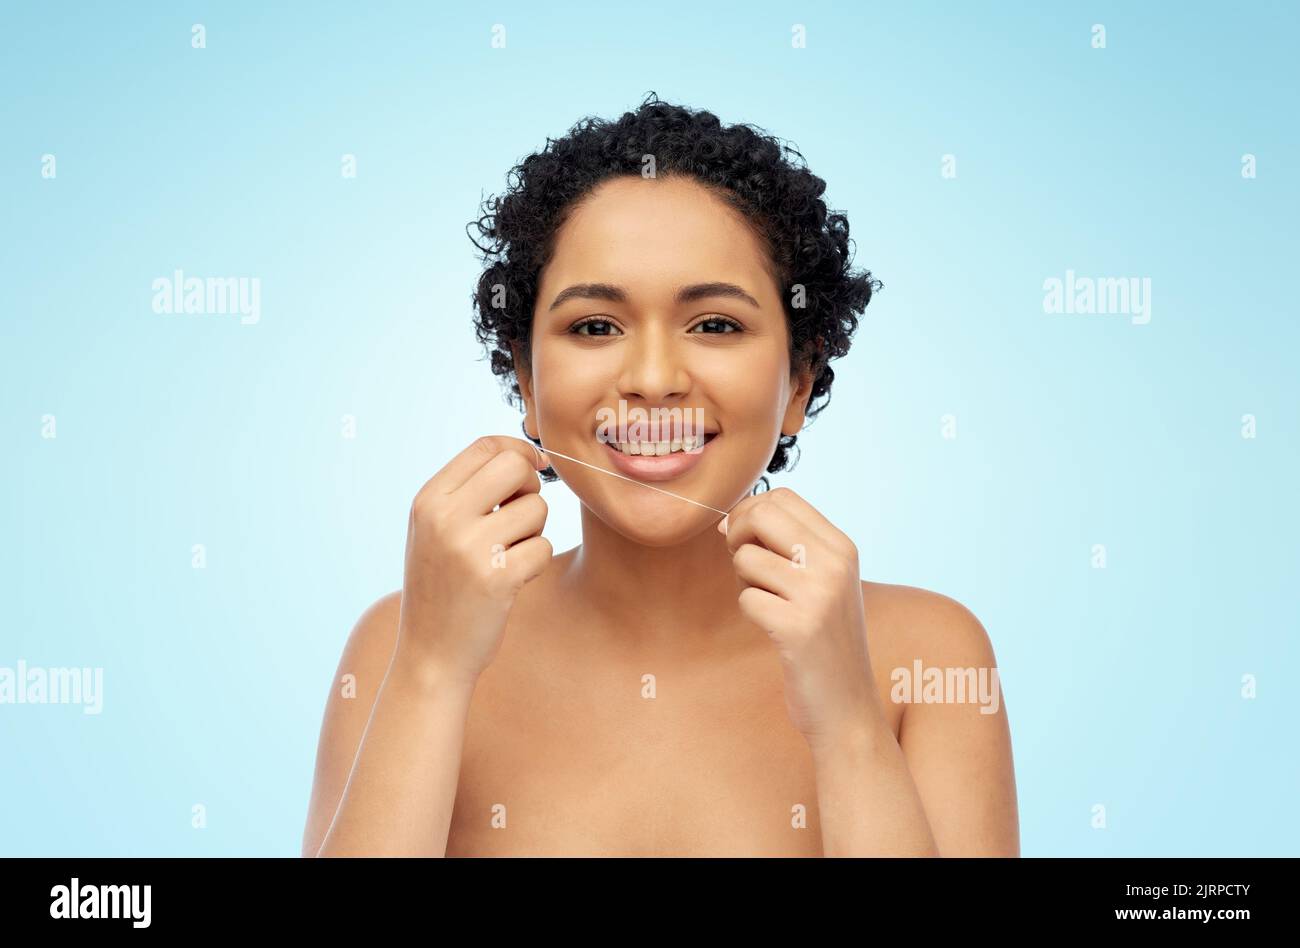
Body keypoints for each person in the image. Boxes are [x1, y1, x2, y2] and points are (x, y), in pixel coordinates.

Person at [302, 92, 1019, 857]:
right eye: (594, 326)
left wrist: (847, 722)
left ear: (800, 382)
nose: (651, 378)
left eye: (715, 324)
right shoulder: (399, 646)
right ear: (528, 380)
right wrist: (432, 671)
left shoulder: (930, 657)